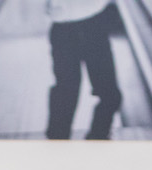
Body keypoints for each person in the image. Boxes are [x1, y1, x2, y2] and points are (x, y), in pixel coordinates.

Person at [44, 0, 123, 140]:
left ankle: (97, 138)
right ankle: (58, 145)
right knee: (67, 93)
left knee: (109, 94)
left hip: (92, 26)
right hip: (69, 29)